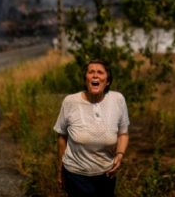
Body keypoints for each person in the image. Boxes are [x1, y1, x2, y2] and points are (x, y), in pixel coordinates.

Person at [54, 59, 130, 197]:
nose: (95, 75)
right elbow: (61, 137)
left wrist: (120, 154)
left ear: (107, 81)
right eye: (91, 72)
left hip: (107, 174)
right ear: (86, 79)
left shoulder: (118, 100)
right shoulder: (70, 101)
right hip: (76, 175)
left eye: (100, 72)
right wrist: (60, 171)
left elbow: (123, 133)